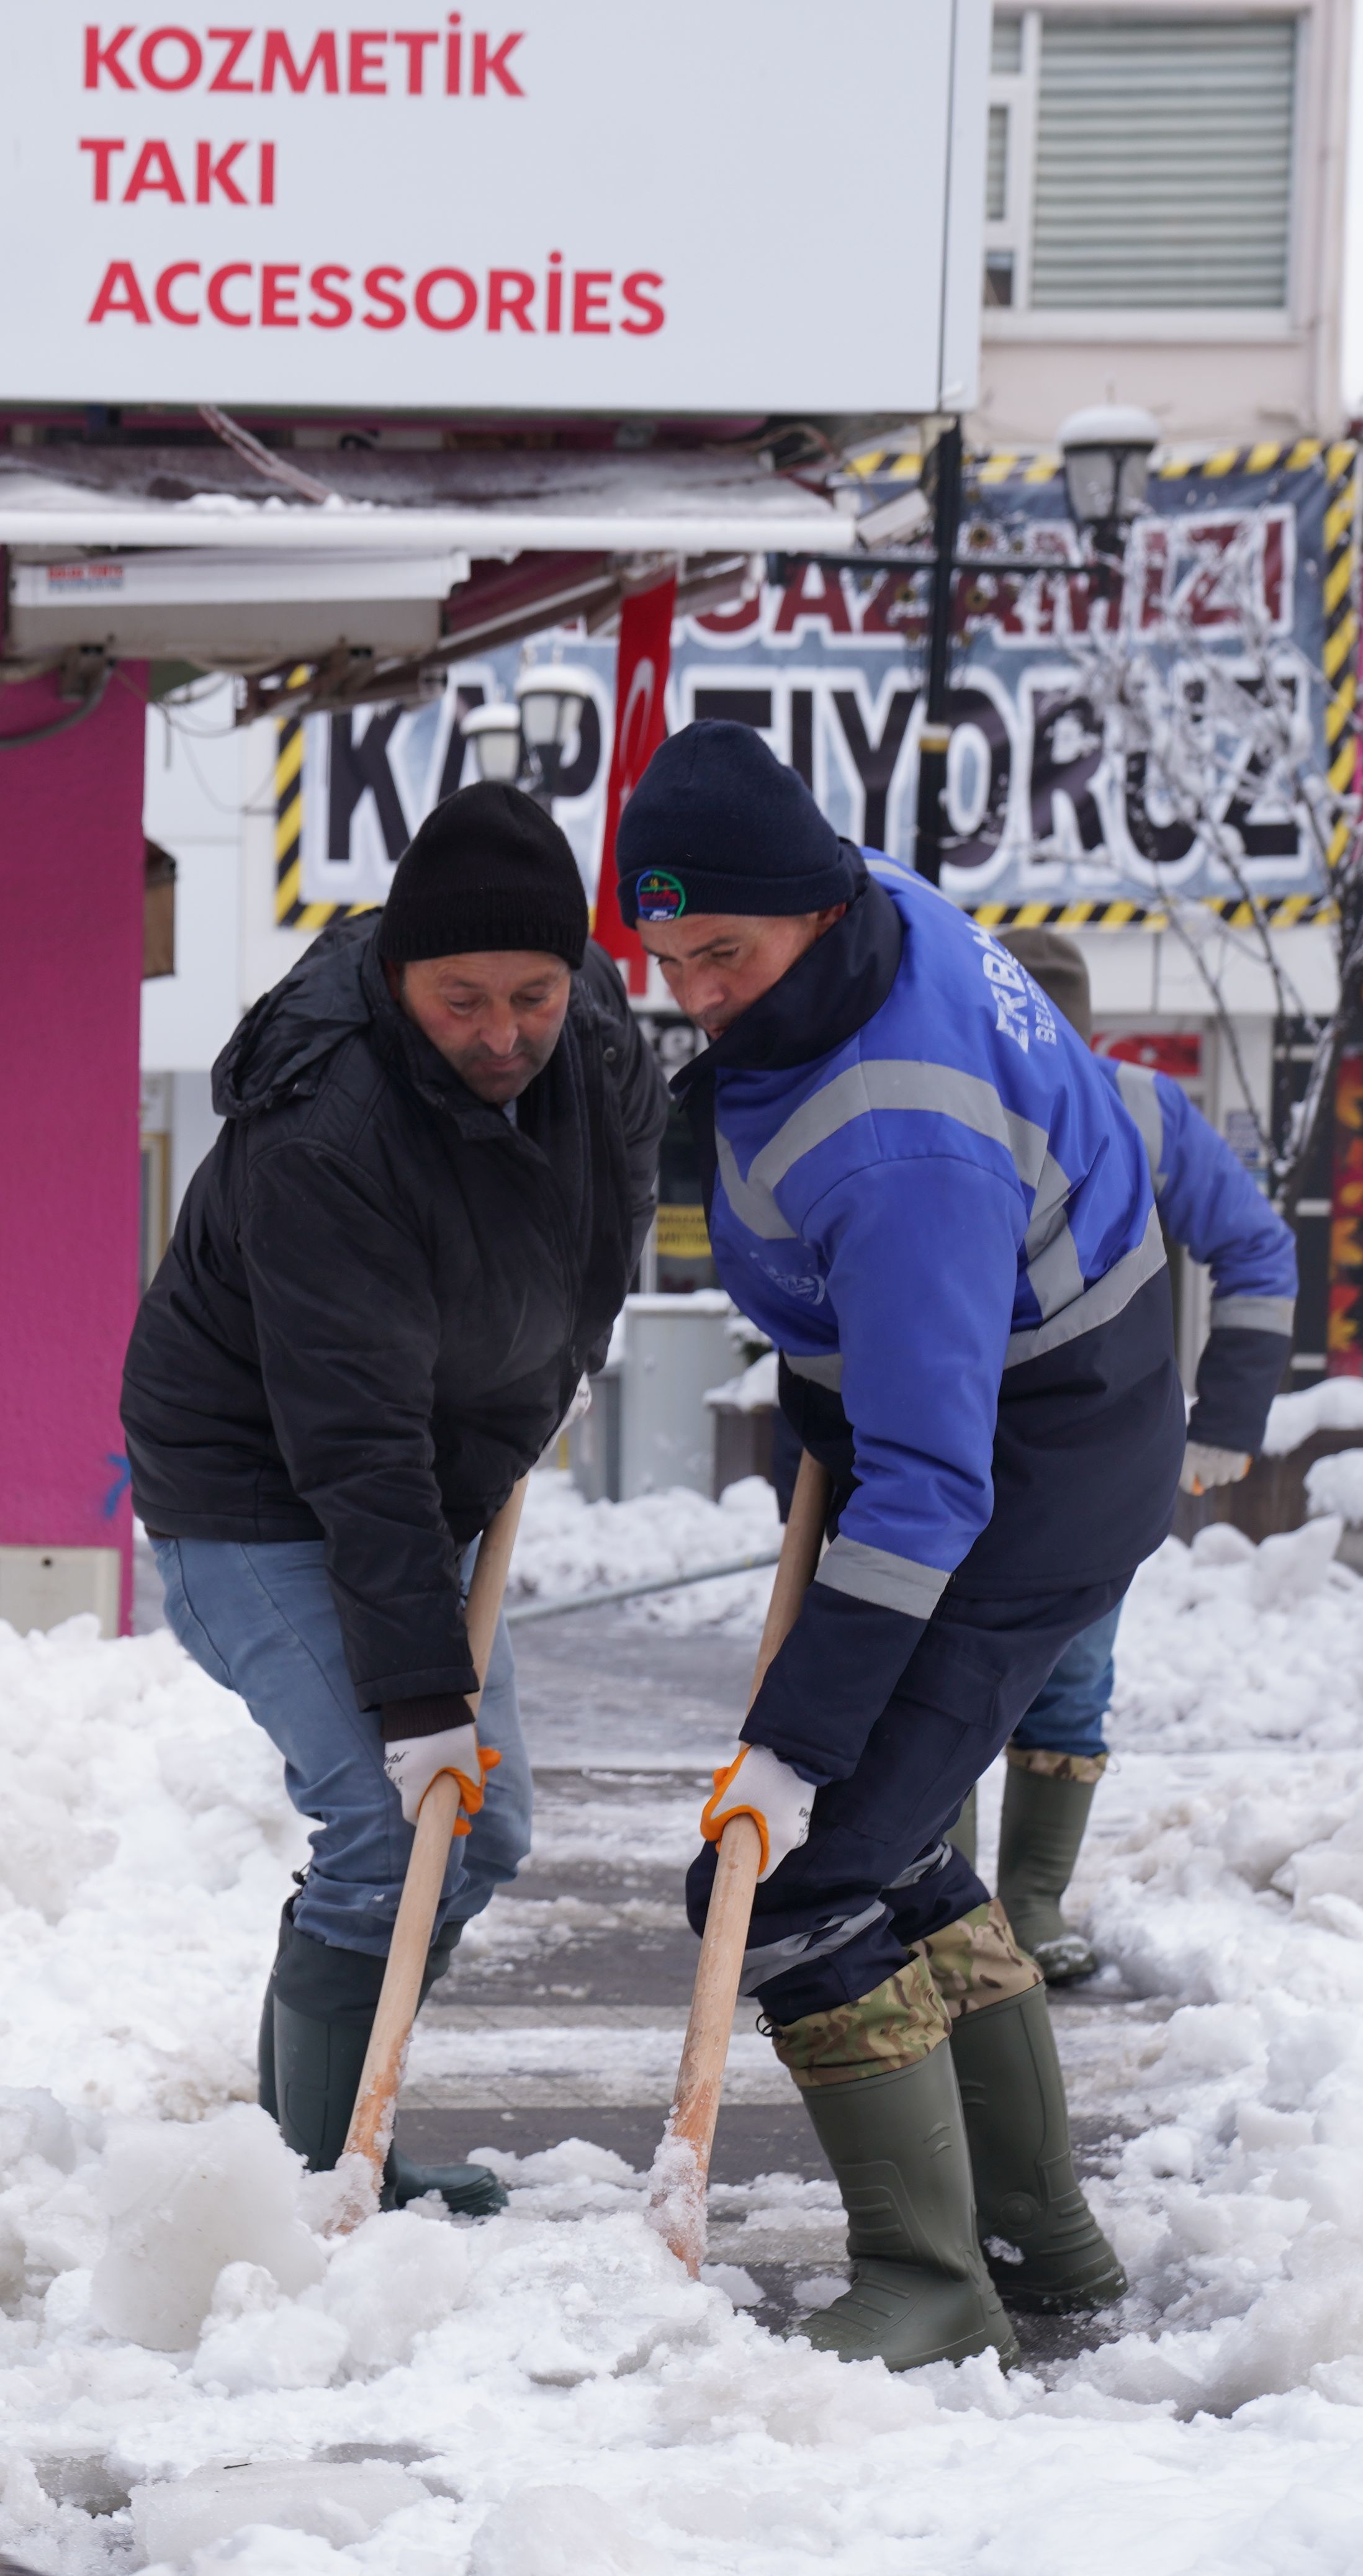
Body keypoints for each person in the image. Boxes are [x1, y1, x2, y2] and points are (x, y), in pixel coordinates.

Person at [616, 722, 1182, 2369]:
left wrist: (793, 1748)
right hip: (1015, 1398)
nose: (699, 994)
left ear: (807, 905)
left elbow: (933, 1493)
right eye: (669, 961)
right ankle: (1046, 2248)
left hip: (1030, 1459)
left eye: (724, 955)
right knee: (902, 1840)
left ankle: (932, 2283)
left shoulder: (898, 1138)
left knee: (795, 1875)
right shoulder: (859, 917)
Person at [121, 782, 665, 2213]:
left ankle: (326, 2136)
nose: (502, 1036)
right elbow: (349, 1434)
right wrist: (422, 1702)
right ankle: (318, 2178)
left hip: (432, 1471)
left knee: (474, 1828)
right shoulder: (326, 1130)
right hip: (255, 1490)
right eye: (462, 999)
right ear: (396, 974)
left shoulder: (595, 1044)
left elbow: (602, 1248)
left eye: (533, 996)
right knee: (388, 1814)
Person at [971, 930, 1296, 1991]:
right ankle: (930, 1900)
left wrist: (1228, 1417)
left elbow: (1256, 1246)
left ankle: (1028, 1898)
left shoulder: (1142, 1109)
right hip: (949, 1437)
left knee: (1071, 1670)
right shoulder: (941, 1101)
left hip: (1099, 1448)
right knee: (922, 1669)